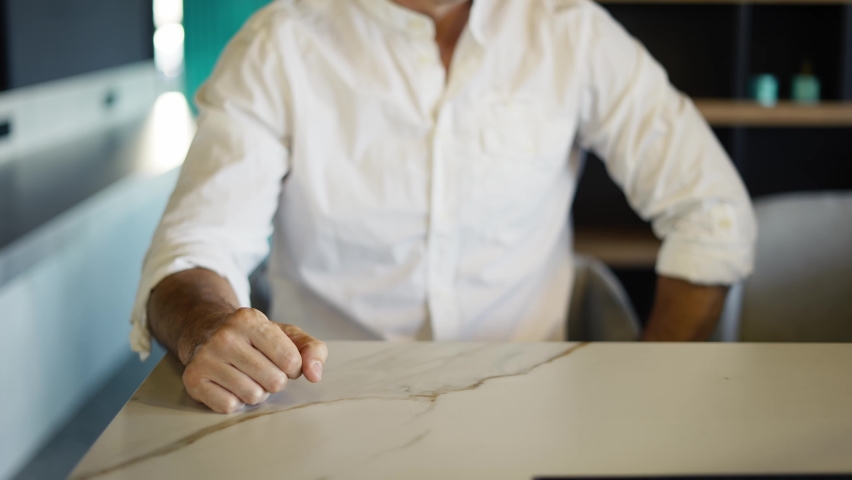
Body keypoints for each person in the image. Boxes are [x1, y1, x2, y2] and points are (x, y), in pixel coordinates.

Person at [133, 0, 757, 414]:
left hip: (533, 419)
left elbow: (712, 211)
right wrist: (205, 325)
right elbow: (193, 251)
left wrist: (653, 397)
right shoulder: (279, 43)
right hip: (325, 418)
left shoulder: (571, 28)